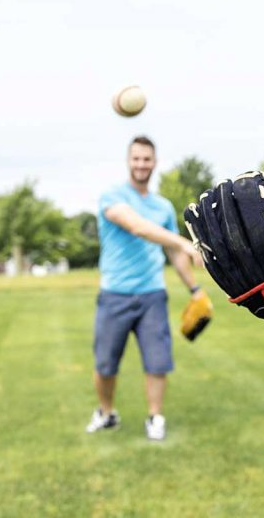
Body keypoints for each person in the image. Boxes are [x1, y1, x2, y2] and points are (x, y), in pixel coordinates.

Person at [86, 135, 202, 441]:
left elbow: (174, 254)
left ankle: (155, 417)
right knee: (106, 364)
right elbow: (137, 227)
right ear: (128, 161)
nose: (141, 164)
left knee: (157, 361)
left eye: (147, 159)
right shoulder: (112, 196)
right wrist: (183, 242)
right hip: (115, 294)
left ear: (155, 163)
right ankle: (107, 412)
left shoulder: (163, 206)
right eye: (136, 158)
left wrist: (195, 288)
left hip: (152, 294)